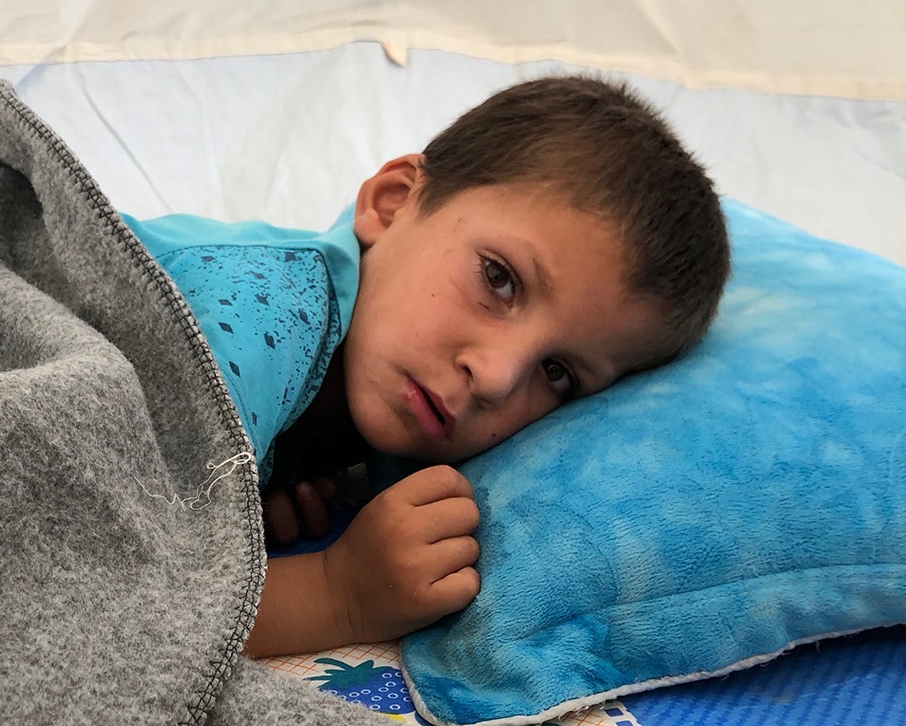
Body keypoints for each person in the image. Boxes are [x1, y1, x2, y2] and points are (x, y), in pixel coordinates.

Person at [122, 75, 730, 658]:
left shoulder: (368, 401)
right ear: (392, 204)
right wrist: (337, 592)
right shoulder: (258, 313)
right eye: (499, 278)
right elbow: (92, 600)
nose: (497, 377)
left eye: (557, 373)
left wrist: (233, 501)